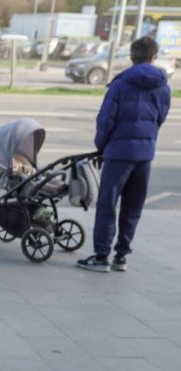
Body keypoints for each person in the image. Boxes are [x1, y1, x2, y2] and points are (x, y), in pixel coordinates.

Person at [78, 36, 171, 273]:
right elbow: (160, 118)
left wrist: (101, 146)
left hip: (119, 153)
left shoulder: (120, 84)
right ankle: (121, 256)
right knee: (133, 206)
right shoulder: (163, 86)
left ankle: (101, 256)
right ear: (154, 56)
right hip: (145, 154)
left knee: (108, 204)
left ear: (132, 56)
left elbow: (105, 120)